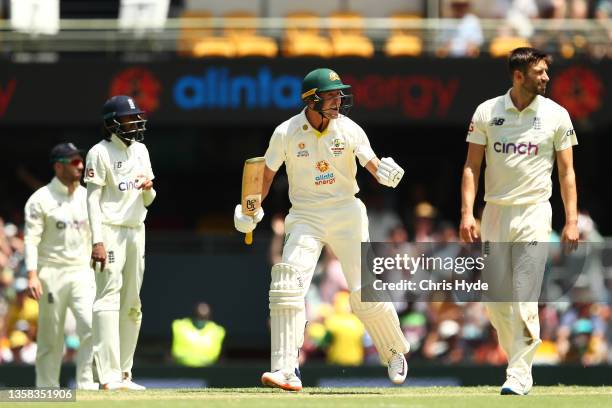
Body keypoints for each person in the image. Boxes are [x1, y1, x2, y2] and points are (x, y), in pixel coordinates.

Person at [234, 68, 410, 391]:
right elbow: (267, 174)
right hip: (305, 215)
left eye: (339, 94)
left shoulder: (350, 129)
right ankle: (286, 369)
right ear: (311, 100)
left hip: (347, 212)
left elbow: (372, 164)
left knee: (364, 291)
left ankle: (394, 351)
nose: (337, 100)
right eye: (330, 95)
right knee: (287, 283)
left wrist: (385, 172)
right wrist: (251, 209)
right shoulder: (286, 132)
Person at [460, 47, 579, 395]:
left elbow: (567, 172)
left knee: (524, 295)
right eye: (539, 72)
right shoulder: (487, 111)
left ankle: (519, 373)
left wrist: (571, 220)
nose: (545, 78)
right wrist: (468, 213)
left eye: (546, 71)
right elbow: (472, 167)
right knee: (496, 303)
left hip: (535, 212)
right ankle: (517, 361)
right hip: (494, 212)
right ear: (518, 75)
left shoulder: (557, 115)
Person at [84, 95, 156, 391]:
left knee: (133, 304)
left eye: (136, 117)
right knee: (108, 299)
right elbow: (91, 198)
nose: (134, 122)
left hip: (136, 230)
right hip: (110, 230)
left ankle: (125, 374)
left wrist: (149, 188)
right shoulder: (99, 152)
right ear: (112, 123)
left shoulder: (141, 150)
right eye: (128, 118)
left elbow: (149, 200)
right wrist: (97, 240)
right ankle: (108, 376)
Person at [23, 142, 97, 389]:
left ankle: (86, 386)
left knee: (90, 325)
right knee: (51, 335)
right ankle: (47, 389)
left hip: (82, 272)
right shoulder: (40, 199)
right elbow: (31, 239)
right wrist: (32, 275)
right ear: (58, 166)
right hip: (51, 272)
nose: (80, 165)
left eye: (80, 160)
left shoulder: (88, 196)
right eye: (74, 161)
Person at [171, 302, 226, 367]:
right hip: (181, 369)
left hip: (207, 371)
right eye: (198, 316)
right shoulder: (178, 326)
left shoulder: (217, 331)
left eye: (203, 317)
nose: (201, 318)